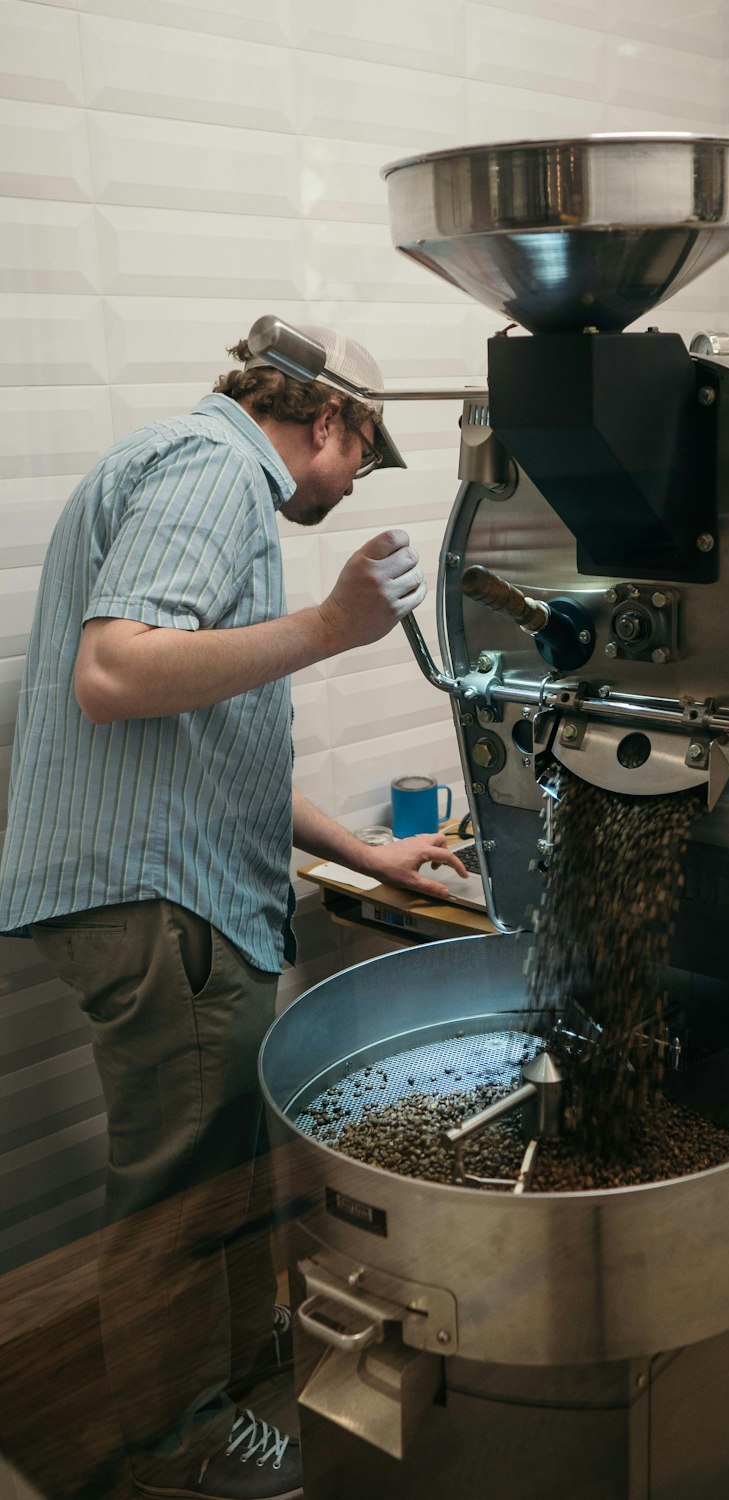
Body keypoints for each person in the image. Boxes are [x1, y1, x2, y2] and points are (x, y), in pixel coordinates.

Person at [0, 323, 469, 1500]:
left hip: (155, 882)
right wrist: (330, 629)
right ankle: (177, 1445)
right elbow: (113, 675)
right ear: (329, 422)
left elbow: (205, 732)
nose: (358, 479)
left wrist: (364, 851)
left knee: (206, 1164)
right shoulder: (218, 471)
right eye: (365, 455)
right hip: (158, 899)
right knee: (173, 1184)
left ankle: (225, 1384)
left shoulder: (179, 465)